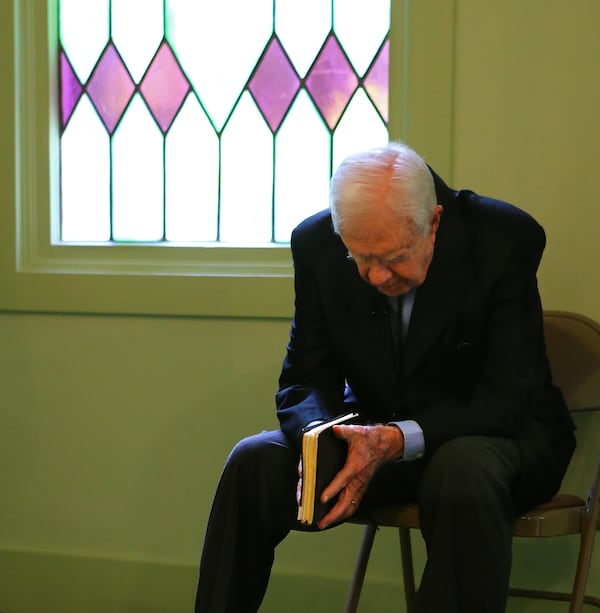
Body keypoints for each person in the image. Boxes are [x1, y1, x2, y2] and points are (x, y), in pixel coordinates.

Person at [194, 141, 576, 613]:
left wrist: (394, 440)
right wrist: (334, 439)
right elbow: (304, 381)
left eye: (392, 257)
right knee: (252, 461)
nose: (375, 276)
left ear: (434, 223)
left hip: (495, 440)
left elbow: (507, 397)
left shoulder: (503, 238)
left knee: (460, 467)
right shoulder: (316, 245)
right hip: (374, 441)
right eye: (360, 258)